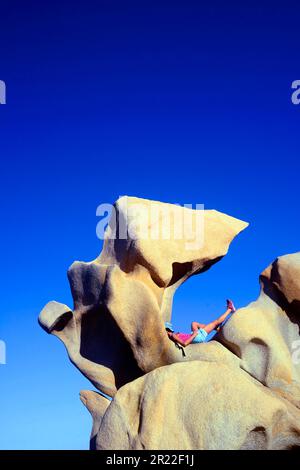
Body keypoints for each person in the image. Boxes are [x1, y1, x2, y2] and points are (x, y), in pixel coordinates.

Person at [165, 299, 236, 348]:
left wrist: (193, 334)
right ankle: (230, 309)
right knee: (216, 322)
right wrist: (195, 334)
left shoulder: (172, 337)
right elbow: (184, 344)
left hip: (195, 336)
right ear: (169, 330)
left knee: (194, 323)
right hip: (196, 336)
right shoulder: (173, 335)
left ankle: (216, 328)